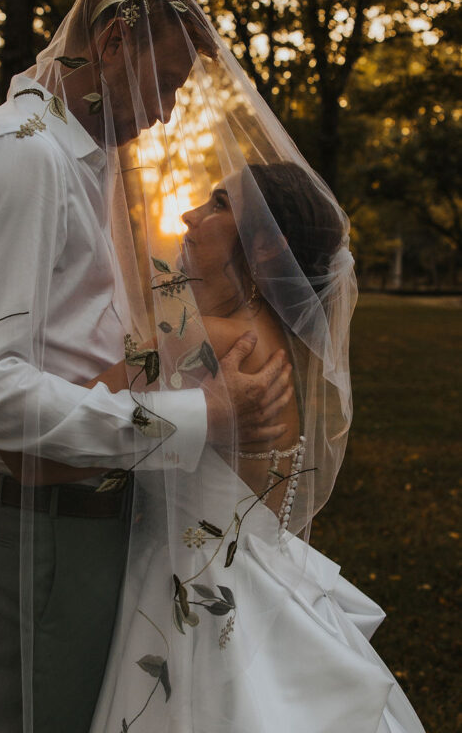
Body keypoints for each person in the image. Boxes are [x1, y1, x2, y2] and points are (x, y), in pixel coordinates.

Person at [0, 0, 295, 733]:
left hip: (89, 518)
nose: (162, 115)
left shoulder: (80, 160)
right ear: (112, 41)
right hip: (46, 531)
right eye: (161, 83)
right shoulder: (24, 159)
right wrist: (201, 417)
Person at [88, 162, 427, 732]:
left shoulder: (210, 338)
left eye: (219, 204)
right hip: (256, 577)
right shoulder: (283, 344)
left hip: (186, 586)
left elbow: (83, 402)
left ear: (269, 250)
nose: (190, 215)